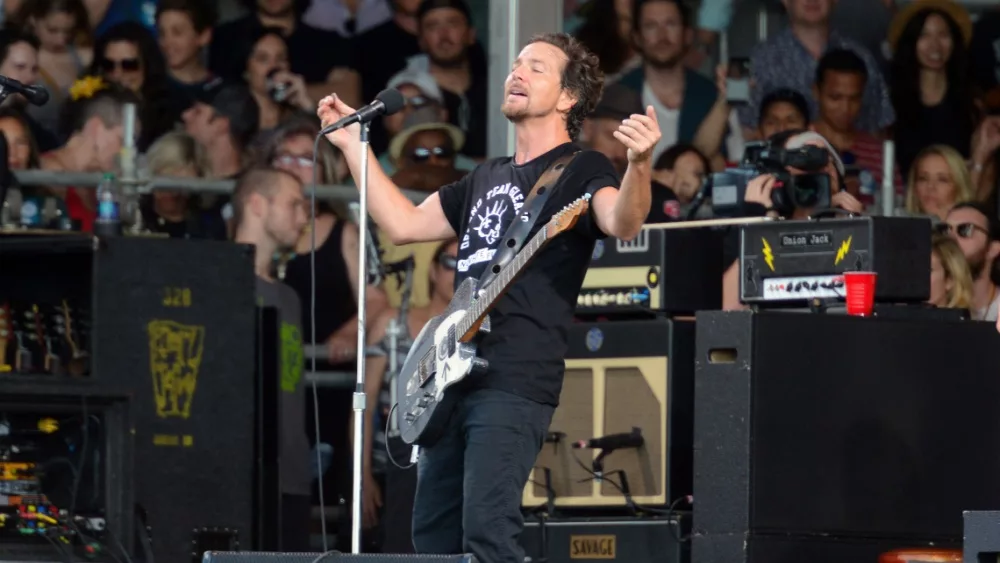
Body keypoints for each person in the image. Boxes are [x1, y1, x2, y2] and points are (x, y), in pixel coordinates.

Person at [318, 31, 659, 563]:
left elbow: (621, 219)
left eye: (536, 68)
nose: (516, 73)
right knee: (432, 540)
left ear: (569, 97)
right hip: (449, 375)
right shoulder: (483, 177)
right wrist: (352, 147)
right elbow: (404, 224)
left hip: (514, 376)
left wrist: (639, 165)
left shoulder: (582, 168)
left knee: (488, 534)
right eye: (516, 64)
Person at [231, 166, 312, 552]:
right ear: (257, 205)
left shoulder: (289, 297)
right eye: (294, 204)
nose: (304, 216)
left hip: (292, 472)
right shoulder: (220, 281)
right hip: (239, 474)